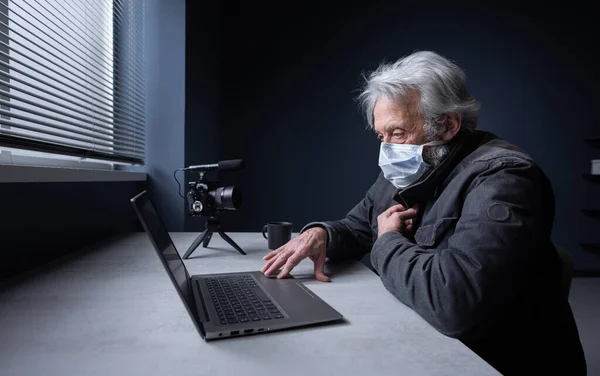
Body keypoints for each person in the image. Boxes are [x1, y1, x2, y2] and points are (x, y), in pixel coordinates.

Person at [261, 50, 587, 375]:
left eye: (398, 133)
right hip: (426, 343)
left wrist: (388, 241)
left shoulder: (504, 179)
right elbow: (357, 227)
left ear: (447, 125)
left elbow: (454, 303)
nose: (386, 149)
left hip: (496, 361)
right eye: (381, 135)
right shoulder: (403, 170)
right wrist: (321, 234)